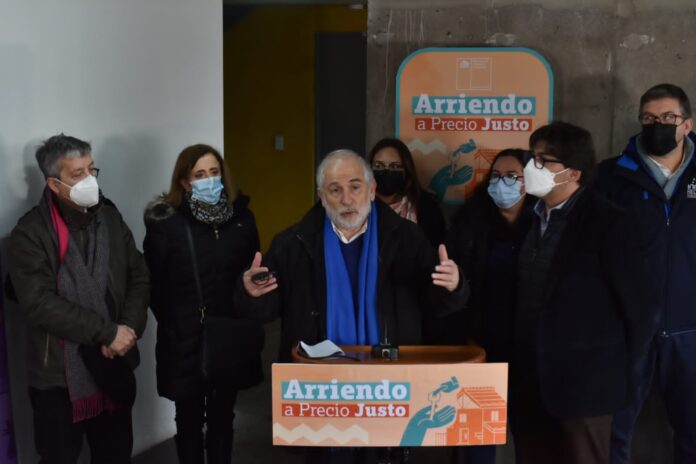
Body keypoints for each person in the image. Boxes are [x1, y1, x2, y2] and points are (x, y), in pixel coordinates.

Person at [234, 149, 469, 464]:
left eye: (355, 187)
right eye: (335, 189)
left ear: (371, 190)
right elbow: (265, 310)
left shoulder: (407, 239)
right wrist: (251, 293)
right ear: (321, 196)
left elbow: (436, 305)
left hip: (389, 389)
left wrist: (453, 286)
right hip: (320, 393)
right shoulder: (293, 243)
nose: (346, 199)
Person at [510, 122, 653, 464]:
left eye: (544, 161)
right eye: (532, 157)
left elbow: (642, 309)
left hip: (587, 385)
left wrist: (618, 372)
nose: (532, 167)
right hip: (530, 377)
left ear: (573, 173)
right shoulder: (528, 219)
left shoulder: (611, 222)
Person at [7, 134, 149, 463]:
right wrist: (107, 332)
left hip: (113, 366)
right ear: (54, 184)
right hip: (57, 379)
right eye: (77, 174)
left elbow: (139, 275)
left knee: (115, 454)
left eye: (91, 169)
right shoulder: (30, 233)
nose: (89, 180)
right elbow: (39, 303)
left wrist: (128, 328)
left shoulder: (110, 218)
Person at [596, 83, 696, 464]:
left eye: (668, 117)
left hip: (690, 331)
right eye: (649, 118)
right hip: (626, 331)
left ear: (687, 124)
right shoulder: (610, 176)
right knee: (612, 434)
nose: (658, 125)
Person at [143, 144, 261, 464]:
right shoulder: (167, 223)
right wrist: (178, 321)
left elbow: (252, 271)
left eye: (214, 172)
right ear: (184, 182)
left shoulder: (241, 219)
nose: (209, 179)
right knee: (189, 419)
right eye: (199, 174)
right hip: (184, 338)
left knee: (223, 417)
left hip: (228, 334)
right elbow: (153, 284)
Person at [445, 149, 533, 464]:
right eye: (495, 176)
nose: (501, 183)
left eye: (511, 176)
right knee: (478, 437)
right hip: (481, 346)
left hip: (529, 350)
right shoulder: (471, 223)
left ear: (529, 181)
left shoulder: (544, 222)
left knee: (531, 435)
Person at [368, 138, 446, 247]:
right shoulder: (358, 205)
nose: (386, 171)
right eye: (379, 166)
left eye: (395, 166)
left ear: (406, 169)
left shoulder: (426, 206)